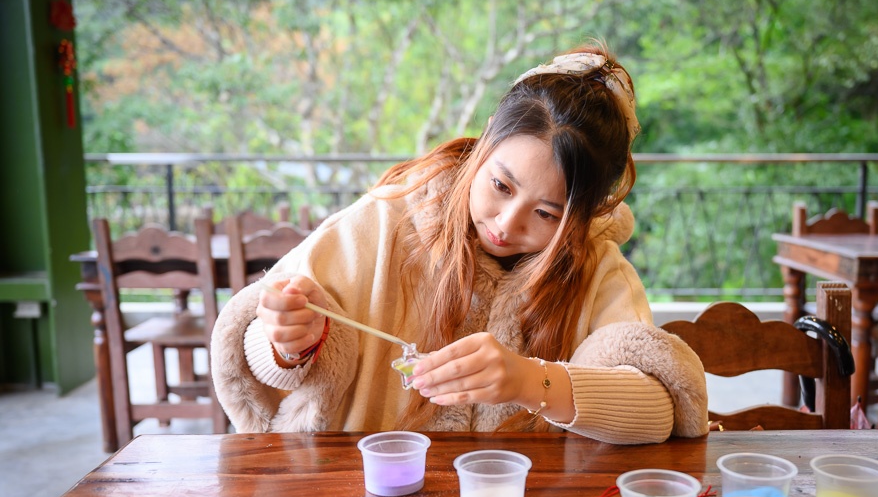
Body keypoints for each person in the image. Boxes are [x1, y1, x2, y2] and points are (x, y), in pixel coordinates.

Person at [211, 44, 708, 445]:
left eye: (546, 214)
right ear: (486, 140)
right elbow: (256, 353)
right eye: (501, 186)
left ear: (584, 216)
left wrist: (529, 381)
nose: (507, 224)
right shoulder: (384, 223)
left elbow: (660, 408)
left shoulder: (597, 270)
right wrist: (286, 344)